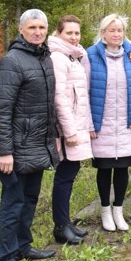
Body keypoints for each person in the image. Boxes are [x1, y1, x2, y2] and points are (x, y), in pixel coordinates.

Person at [0, 9, 59, 261]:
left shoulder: (44, 59)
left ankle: (23, 245)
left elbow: (47, 107)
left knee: (30, 199)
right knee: (13, 202)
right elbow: (2, 110)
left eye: (42, 27)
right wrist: (5, 151)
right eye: (32, 27)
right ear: (21, 30)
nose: (37, 32)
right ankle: (7, 258)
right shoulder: (12, 61)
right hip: (17, 149)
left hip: (38, 145)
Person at [87, 14, 131, 232]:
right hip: (101, 126)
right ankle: (105, 210)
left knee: (123, 169)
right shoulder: (91, 55)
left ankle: (118, 210)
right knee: (104, 170)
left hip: (126, 124)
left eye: (120, 30)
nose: (116, 34)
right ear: (103, 33)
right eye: (112, 30)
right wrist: (89, 124)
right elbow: (84, 91)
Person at [48, 15, 93, 245]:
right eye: (69, 33)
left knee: (71, 173)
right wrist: (70, 131)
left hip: (77, 125)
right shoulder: (58, 58)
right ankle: (60, 226)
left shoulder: (73, 57)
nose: (74, 37)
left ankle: (66, 222)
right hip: (68, 130)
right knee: (64, 176)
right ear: (58, 34)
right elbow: (60, 99)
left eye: (77, 33)